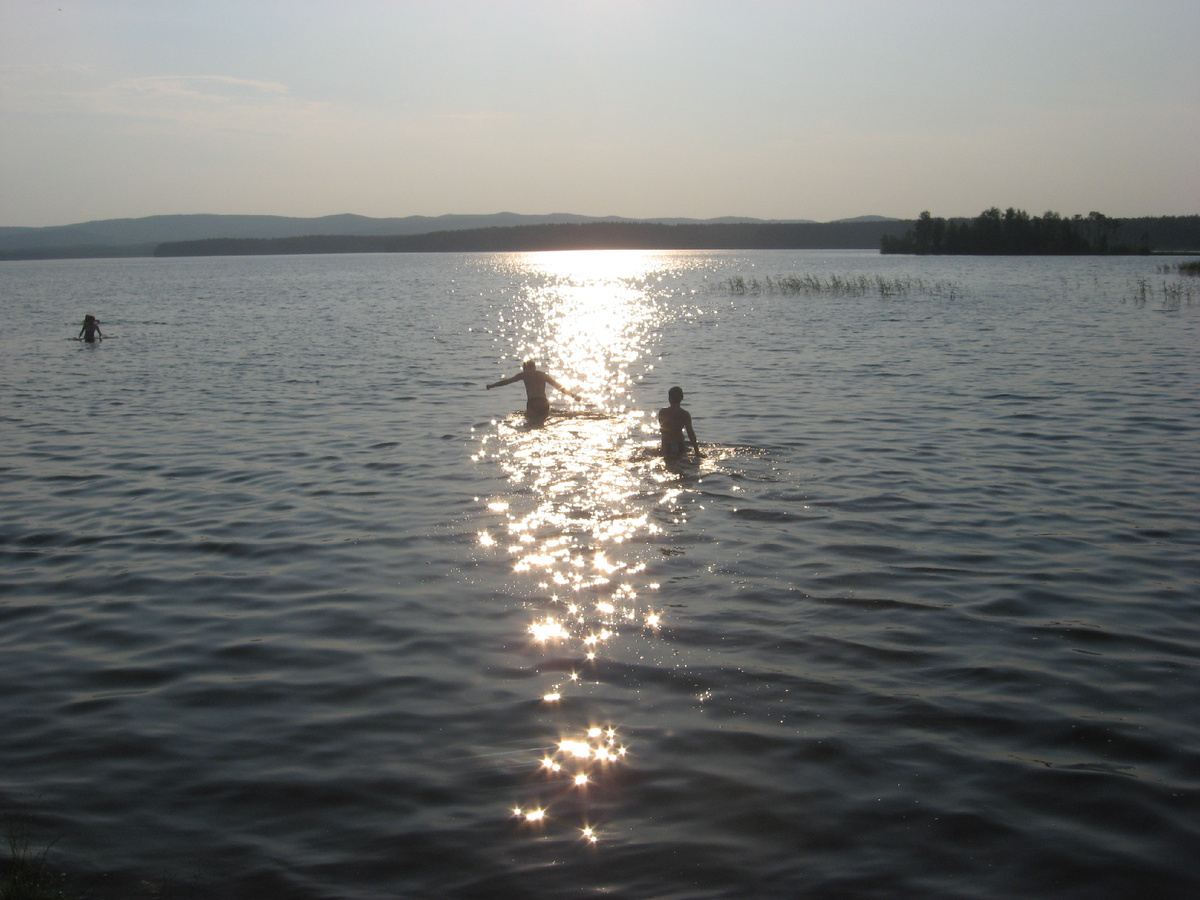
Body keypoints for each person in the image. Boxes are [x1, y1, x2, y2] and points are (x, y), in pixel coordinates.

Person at [486, 360, 580, 424]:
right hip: (543, 402)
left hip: (532, 403)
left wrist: (492, 386)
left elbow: (506, 382)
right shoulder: (542, 375)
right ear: (534, 367)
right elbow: (558, 386)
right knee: (543, 422)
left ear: (524, 368)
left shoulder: (524, 375)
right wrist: (573, 396)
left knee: (531, 423)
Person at [658, 386, 701, 457]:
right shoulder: (684, 414)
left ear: (669, 398)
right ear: (682, 398)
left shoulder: (663, 412)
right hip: (679, 444)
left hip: (666, 445)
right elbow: (690, 433)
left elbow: (663, 430)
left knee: (669, 464)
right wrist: (697, 452)